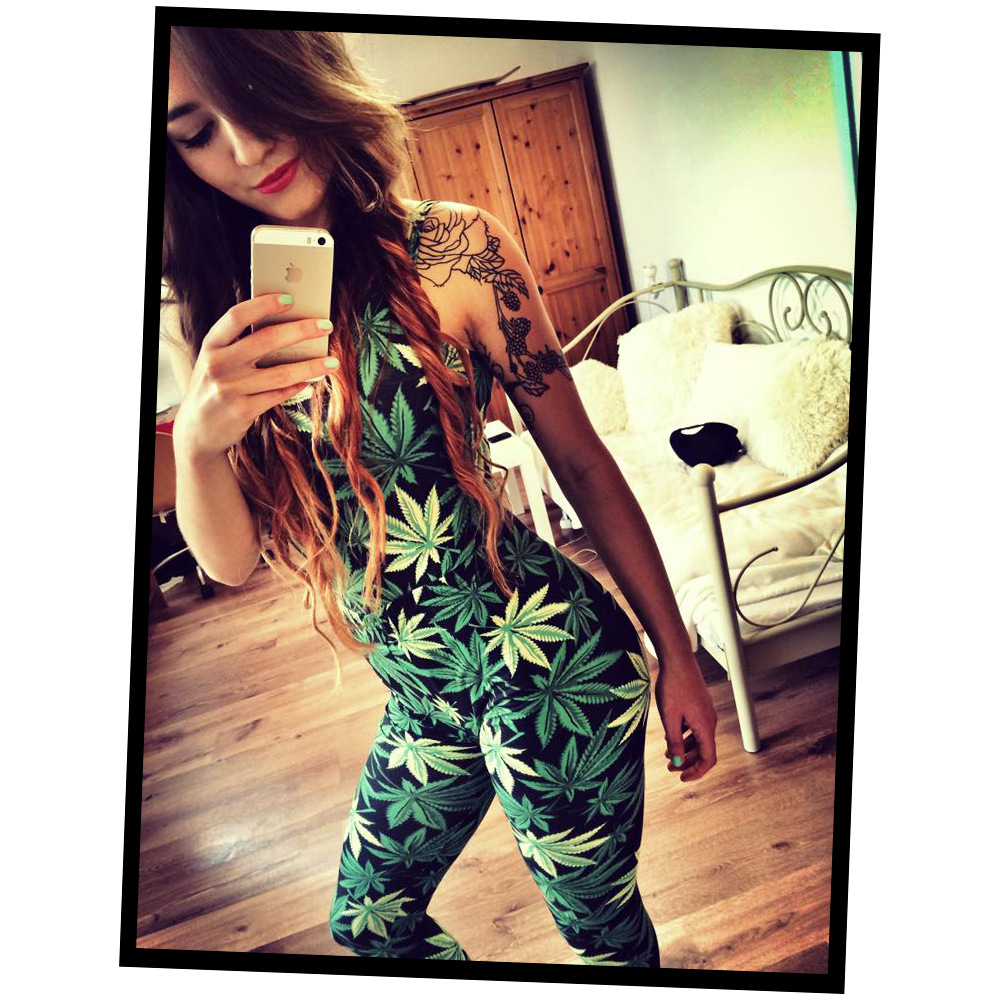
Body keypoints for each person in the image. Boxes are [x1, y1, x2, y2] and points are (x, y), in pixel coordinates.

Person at [162, 28, 717, 967]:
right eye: (194, 131)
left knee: (601, 936)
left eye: (253, 96)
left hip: (547, 667)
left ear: (310, 76)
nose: (246, 146)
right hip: (422, 695)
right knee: (369, 923)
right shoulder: (215, 310)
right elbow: (228, 562)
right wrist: (201, 442)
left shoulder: (458, 249)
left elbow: (583, 463)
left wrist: (679, 654)